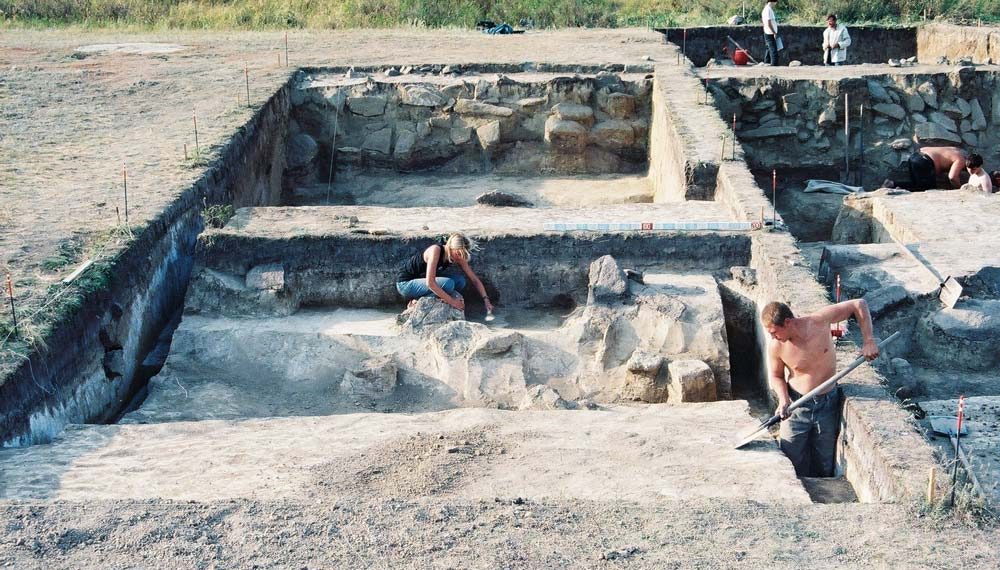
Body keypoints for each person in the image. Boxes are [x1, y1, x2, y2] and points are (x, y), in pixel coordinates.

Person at [762, 300, 879, 477]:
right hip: (796, 407)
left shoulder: (819, 321)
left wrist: (869, 341)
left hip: (827, 404)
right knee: (790, 462)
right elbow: (776, 375)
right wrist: (783, 399)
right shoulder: (777, 347)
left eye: (774, 332)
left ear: (787, 322)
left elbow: (859, 304)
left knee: (824, 462)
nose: (773, 337)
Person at [395, 233, 494, 314]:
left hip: (423, 281)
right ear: (451, 247)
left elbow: (474, 279)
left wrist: (486, 300)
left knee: (460, 281)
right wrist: (452, 302)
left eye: (462, 254)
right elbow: (430, 283)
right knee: (449, 284)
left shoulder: (457, 255)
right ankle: (417, 301)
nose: (460, 257)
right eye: (458, 253)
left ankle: (435, 297)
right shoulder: (435, 250)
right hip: (406, 284)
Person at [761, 0, 779, 66]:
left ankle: (767, 63)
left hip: (768, 31)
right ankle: (774, 65)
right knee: (773, 50)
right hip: (770, 33)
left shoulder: (767, 9)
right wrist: (774, 32)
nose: (776, 3)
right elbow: (768, 23)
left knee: (769, 49)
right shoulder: (768, 9)